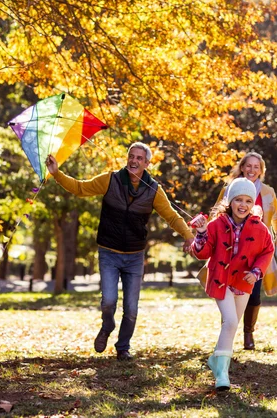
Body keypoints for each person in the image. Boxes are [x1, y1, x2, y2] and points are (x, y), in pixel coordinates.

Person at [46, 142, 194, 361]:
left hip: (134, 256)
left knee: (131, 309)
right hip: (109, 252)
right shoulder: (110, 180)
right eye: (131, 156)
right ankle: (107, 326)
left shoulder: (153, 189)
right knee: (108, 301)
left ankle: (123, 347)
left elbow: (172, 216)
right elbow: (79, 188)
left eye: (139, 158)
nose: (133, 161)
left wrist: (189, 236)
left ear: (146, 163)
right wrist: (57, 173)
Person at [189, 178, 274, 391]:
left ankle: (215, 361)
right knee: (230, 321)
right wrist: (201, 233)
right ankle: (222, 375)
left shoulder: (259, 227)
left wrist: (256, 272)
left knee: (232, 325)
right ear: (230, 201)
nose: (242, 205)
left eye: (247, 200)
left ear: (252, 203)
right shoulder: (217, 224)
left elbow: (267, 250)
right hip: (221, 280)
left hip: (243, 282)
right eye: (238, 200)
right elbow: (202, 252)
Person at [214, 152, 277, 350]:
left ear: (261, 170)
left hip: (257, 252)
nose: (252, 170)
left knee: (254, 295)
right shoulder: (230, 188)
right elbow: (217, 212)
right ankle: (227, 331)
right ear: (242, 167)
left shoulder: (267, 192)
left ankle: (248, 332)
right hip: (230, 250)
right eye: (248, 166)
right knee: (227, 293)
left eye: (256, 167)